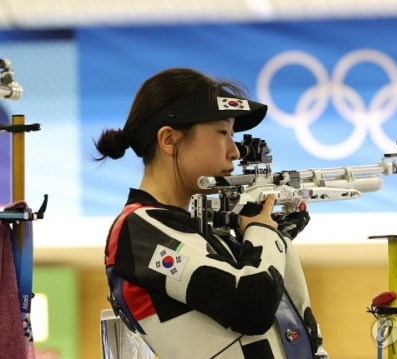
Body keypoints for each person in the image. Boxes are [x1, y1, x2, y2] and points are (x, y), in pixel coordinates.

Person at [95, 68, 319, 358]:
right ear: (168, 140)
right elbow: (251, 304)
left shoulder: (200, 230)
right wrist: (263, 232)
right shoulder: (136, 230)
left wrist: (276, 237)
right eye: (222, 133)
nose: (235, 151)